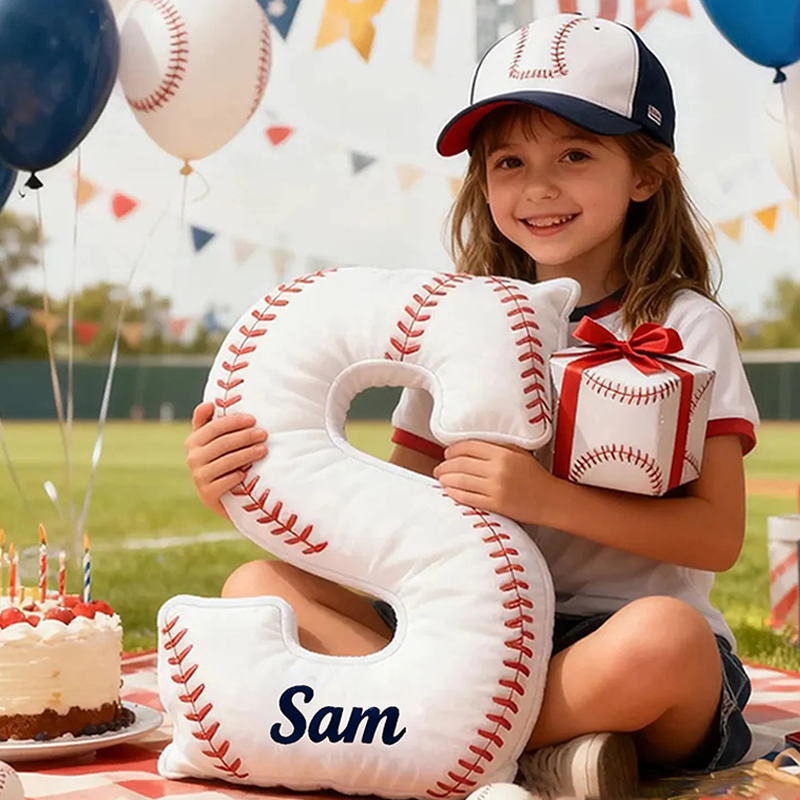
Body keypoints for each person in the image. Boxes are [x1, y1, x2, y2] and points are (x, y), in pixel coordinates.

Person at [183, 13, 759, 800]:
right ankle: (541, 753)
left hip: (612, 640)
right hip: (459, 628)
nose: (539, 187)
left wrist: (544, 499)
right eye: (509, 161)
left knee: (668, 642)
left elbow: (717, 535)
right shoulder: (460, 318)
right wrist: (246, 483)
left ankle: (448, 744)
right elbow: (388, 521)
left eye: (576, 155)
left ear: (647, 174)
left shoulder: (685, 323)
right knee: (258, 587)